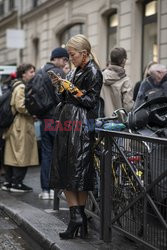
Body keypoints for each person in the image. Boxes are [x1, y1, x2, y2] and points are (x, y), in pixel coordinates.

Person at [50, 34, 103, 239]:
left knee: (74, 173)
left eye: (72, 54)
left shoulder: (93, 72)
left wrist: (73, 89)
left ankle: (76, 220)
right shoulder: (74, 71)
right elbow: (64, 98)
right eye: (69, 54)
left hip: (80, 126)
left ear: (84, 53)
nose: (70, 58)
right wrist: (60, 86)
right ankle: (79, 219)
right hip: (69, 123)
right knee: (71, 172)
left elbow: (91, 101)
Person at [1, 64, 39, 192]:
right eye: (31, 72)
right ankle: (17, 183)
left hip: (14, 124)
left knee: (12, 155)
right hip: (21, 124)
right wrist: (33, 111)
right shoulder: (21, 87)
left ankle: (9, 182)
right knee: (21, 154)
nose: (33, 74)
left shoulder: (14, 84)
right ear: (23, 74)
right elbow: (21, 106)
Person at [39, 47, 69, 200]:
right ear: (56, 58)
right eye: (64, 59)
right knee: (58, 155)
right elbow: (63, 97)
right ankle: (55, 190)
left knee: (46, 154)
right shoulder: (59, 73)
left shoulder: (41, 71)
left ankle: (45, 190)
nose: (64, 63)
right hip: (56, 119)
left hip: (44, 119)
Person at [100, 47, 133, 117]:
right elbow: (128, 107)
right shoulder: (126, 81)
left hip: (102, 121)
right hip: (119, 123)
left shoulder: (100, 76)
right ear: (123, 61)